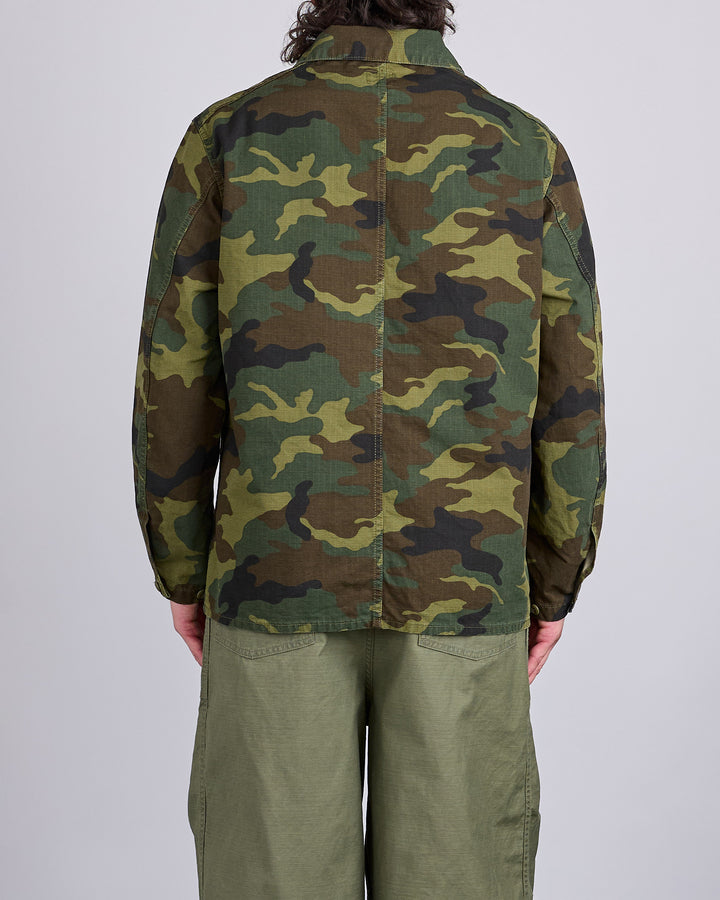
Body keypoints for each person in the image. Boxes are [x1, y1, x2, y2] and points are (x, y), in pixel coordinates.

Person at [131, 1, 606, 897]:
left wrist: (185, 570)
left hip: (273, 575)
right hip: (466, 583)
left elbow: (174, 377)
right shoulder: (524, 149)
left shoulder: (227, 136)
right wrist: (552, 578)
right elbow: (571, 387)